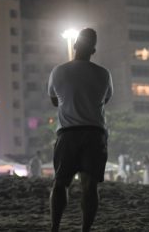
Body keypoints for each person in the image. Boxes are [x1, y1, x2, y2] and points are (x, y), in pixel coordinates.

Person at [47, 27, 113, 232]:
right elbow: (106, 99)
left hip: (67, 132)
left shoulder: (58, 71)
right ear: (93, 51)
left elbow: (54, 101)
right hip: (95, 133)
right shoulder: (103, 74)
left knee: (60, 183)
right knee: (90, 186)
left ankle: (55, 228)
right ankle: (85, 229)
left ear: (74, 45)